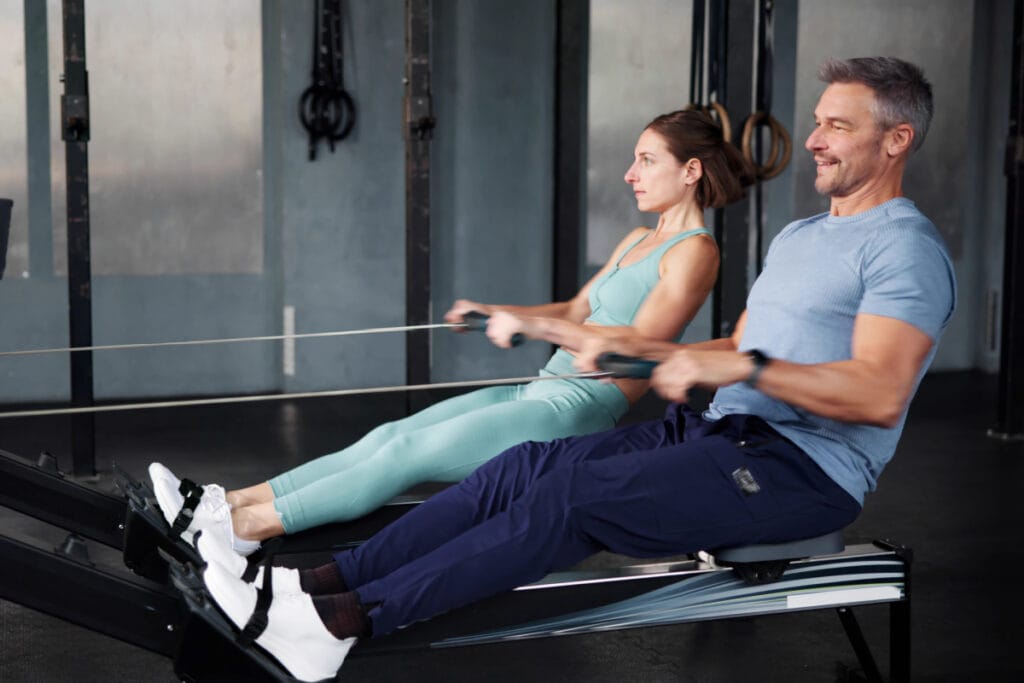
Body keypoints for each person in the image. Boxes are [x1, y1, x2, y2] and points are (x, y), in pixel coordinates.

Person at [196, 55, 957, 681]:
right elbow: (734, 348)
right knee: (519, 467)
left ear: (895, 141)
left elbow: (878, 391)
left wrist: (737, 360)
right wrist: (660, 353)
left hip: (804, 470)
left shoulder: (905, 250)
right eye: (819, 121)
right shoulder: (798, 237)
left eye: (837, 126)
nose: (817, 139)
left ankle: (335, 628)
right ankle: (308, 586)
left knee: (573, 498)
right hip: (721, 430)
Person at [149, 109, 754, 557]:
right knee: (389, 433)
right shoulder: (637, 240)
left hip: (575, 409)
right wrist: (497, 310)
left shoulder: (694, 252)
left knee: (408, 458)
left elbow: (634, 353)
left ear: (691, 170)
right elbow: (576, 308)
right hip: (540, 388)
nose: (629, 174)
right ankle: (222, 504)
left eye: (646, 160)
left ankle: (240, 535)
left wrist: (532, 325)